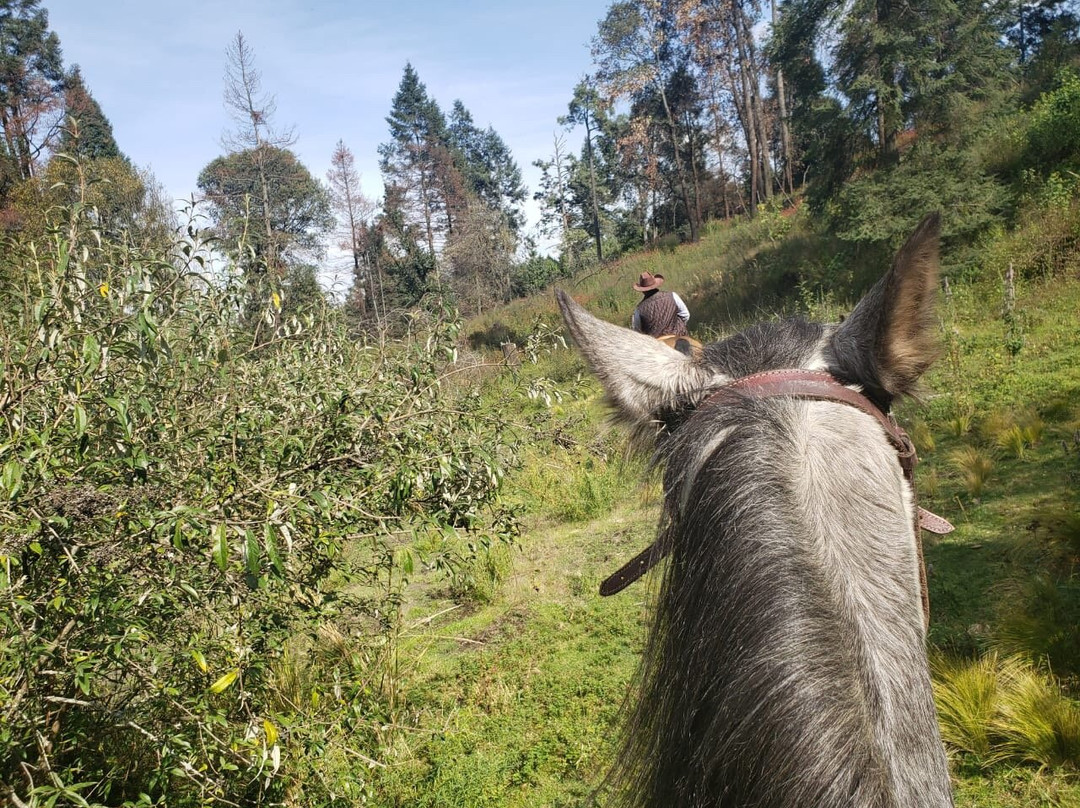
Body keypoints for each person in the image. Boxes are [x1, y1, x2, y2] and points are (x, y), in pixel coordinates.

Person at [631, 272, 690, 337]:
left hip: (656, 343)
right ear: (655, 284)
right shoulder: (672, 295)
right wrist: (679, 327)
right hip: (679, 335)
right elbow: (686, 315)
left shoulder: (639, 310)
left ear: (642, 290)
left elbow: (637, 332)